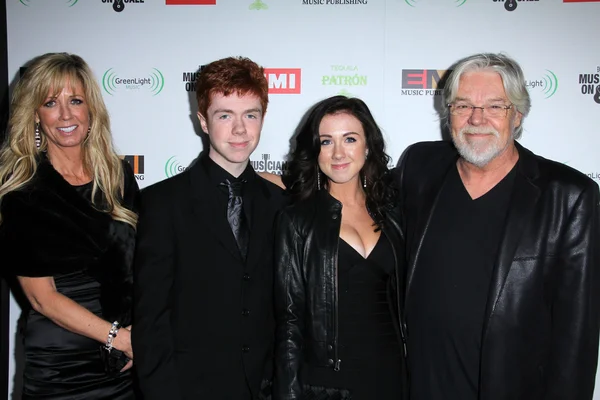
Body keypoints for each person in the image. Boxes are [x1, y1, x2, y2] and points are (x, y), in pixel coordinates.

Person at [396, 53, 600, 400]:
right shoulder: (419, 167)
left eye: (494, 107)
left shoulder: (568, 197)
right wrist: (280, 185)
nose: (477, 119)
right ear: (448, 114)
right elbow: (357, 194)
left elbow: (576, 340)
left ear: (517, 115)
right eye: (463, 106)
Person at [133, 56, 285, 400]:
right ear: (202, 121)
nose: (240, 129)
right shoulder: (162, 203)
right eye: (224, 115)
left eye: (250, 114)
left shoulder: (281, 203)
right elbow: (151, 319)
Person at [0, 53, 139, 399]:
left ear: (90, 109)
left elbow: (144, 262)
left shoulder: (117, 177)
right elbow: (41, 298)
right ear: (35, 114)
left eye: (75, 101)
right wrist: (119, 338)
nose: (65, 114)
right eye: (50, 103)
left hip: (124, 362)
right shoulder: (23, 190)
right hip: (63, 366)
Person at [273, 96, 407, 400]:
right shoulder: (296, 221)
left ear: (368, 145)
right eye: (326, 141)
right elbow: (290, 321)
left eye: (349, 139)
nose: (338, 153)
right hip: (327, 385)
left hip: (391, 376)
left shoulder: (392, 213)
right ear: (315, 150)